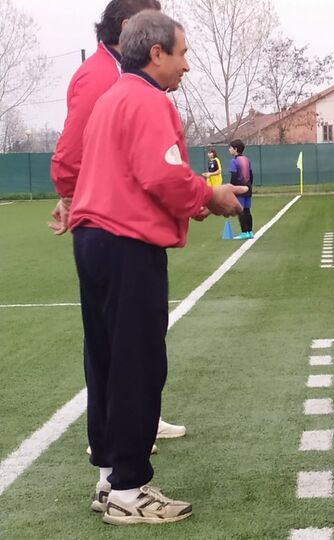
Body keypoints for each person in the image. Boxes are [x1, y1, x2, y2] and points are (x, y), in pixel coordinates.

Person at [70, 10, 247, 524]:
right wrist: (211, 197)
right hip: (126, 242)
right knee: (137, 364)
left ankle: (109, 478)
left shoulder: (111, 98)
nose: (187, 66)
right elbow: (164, 176)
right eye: (183, 53)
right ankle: (131, 489)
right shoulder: (146, 99)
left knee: (105, 362)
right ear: (156, 54)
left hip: (94, 239)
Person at [47, 0, 188, 446]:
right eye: (181, 51)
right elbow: (75, 148)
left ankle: (119, 453)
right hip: (117, 228)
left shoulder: (122, 84)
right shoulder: (106, 80)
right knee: (127, 355)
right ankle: (121, 465)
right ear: (135, 31)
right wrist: (71, 196)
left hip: (107, 223)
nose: (186, 64)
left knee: (124, 353)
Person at [229, 139, 255, 239]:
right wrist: (249, 186)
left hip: (239, 188)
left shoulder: (234, 161)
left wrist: (232, 188)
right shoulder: (246, 160)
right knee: (247, 210)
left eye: (230, 147)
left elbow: (234, 176)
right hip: (248, 188)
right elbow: (251, 174)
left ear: (235, 149)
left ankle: (244, 232)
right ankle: (250, 232)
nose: (229, 149)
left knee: (240, 210)